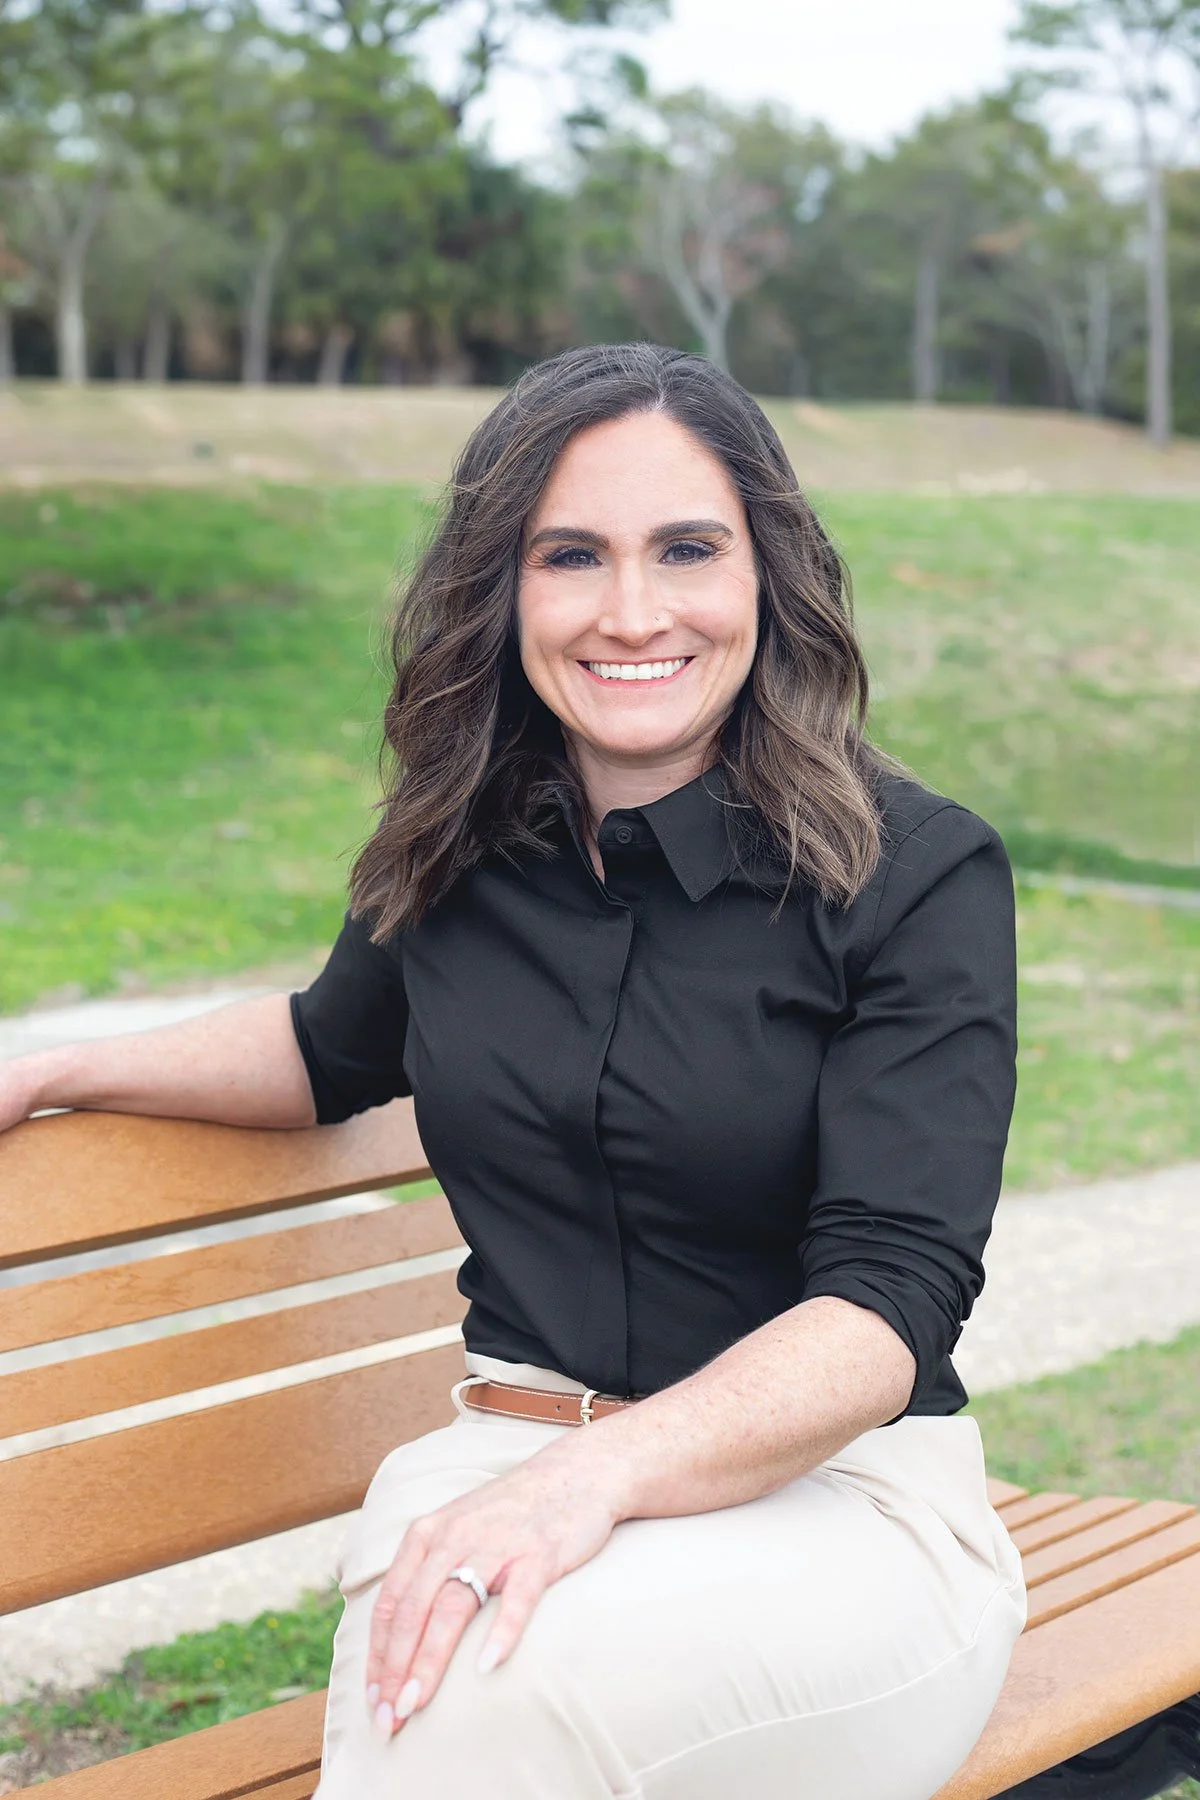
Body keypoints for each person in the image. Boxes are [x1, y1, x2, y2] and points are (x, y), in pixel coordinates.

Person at [1, 343, 1026, 1800]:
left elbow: (887, 1306)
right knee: (465, 1688)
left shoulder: (914, 875)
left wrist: (592, 1483)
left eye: (687, 549)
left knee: (491, 1705)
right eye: (571, 555)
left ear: (767, 578)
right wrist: (60, 1071)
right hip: (501, 1465)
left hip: (838, 1511)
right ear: (505, 588)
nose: (632, 611)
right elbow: (326, 1046)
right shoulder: (456, 848)